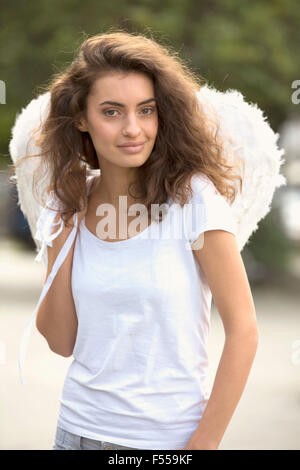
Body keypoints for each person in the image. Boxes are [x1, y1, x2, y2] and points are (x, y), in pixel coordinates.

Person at [14, 30, 258, 450]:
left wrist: (204, 444)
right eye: (112, 112)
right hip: (75, 431)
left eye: (146, 110)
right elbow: (60, 340)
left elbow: (244, 332)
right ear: (81, 118)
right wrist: (66, 231)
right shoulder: (67, 202)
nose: (133, 129)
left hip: (164, 442)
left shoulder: (193, 200)